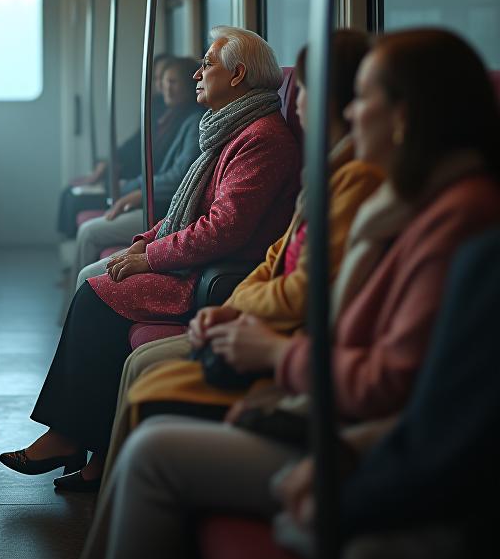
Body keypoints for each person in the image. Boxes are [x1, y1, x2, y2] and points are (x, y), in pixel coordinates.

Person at [80, 28, 500, 559]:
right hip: (314, 371)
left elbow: (391, 379)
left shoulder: (447, 220)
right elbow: (279, 258)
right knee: (143, 376)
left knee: (152, 448)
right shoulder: (397, 198)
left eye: (363, 98)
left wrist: (275, 353)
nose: (346, 112)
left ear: (403, 116)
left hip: (334, 403)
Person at [0, 26, 300, 491]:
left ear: (238, 75)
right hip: (200, 263)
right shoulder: (233, 128)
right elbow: (189, 210)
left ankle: (67, 436)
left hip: (217, 275)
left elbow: (224, 228)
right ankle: (92, 449)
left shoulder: (261, 138)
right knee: (99, 290)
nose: (197, 73)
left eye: (207, 64)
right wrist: (144, 242)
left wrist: (151, 259)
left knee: (96, 296)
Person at [102, 31, 381, 472]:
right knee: (139, 361)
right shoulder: (317, 169)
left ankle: (99, 472)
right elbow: (277, 255)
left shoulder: (335, 173)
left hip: (273, 325)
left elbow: (237, 237)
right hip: (252, 307)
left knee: (143, 370)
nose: (295, 101)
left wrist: (235, 307)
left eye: (304, 90)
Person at [273, 228, 500, 559]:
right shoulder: (416, 213)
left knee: (163, 452)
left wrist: (277, 354)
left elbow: (421, 409)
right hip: (340, 404)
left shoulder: (468, 227)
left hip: (338, 398)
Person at [73, 57, 204, 280]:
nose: (166, 88)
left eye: (174, 82)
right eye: (164, 82)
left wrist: (137, 191)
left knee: (89, 233)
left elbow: (178, 177)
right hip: (155, 199)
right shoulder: (172, 117)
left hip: (162, 208)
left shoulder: (194, 121)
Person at [55, 54, 173, 240]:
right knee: (69, 192)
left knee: (77, 200)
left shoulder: (181, 118)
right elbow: (135, 142)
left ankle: (72, 252)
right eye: (157, 79)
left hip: (144, 182)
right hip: (134, 176)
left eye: (166, 80)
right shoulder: (157, 106)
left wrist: (132, 185)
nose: (161, 85)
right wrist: (110, 162)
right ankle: (67, 250)